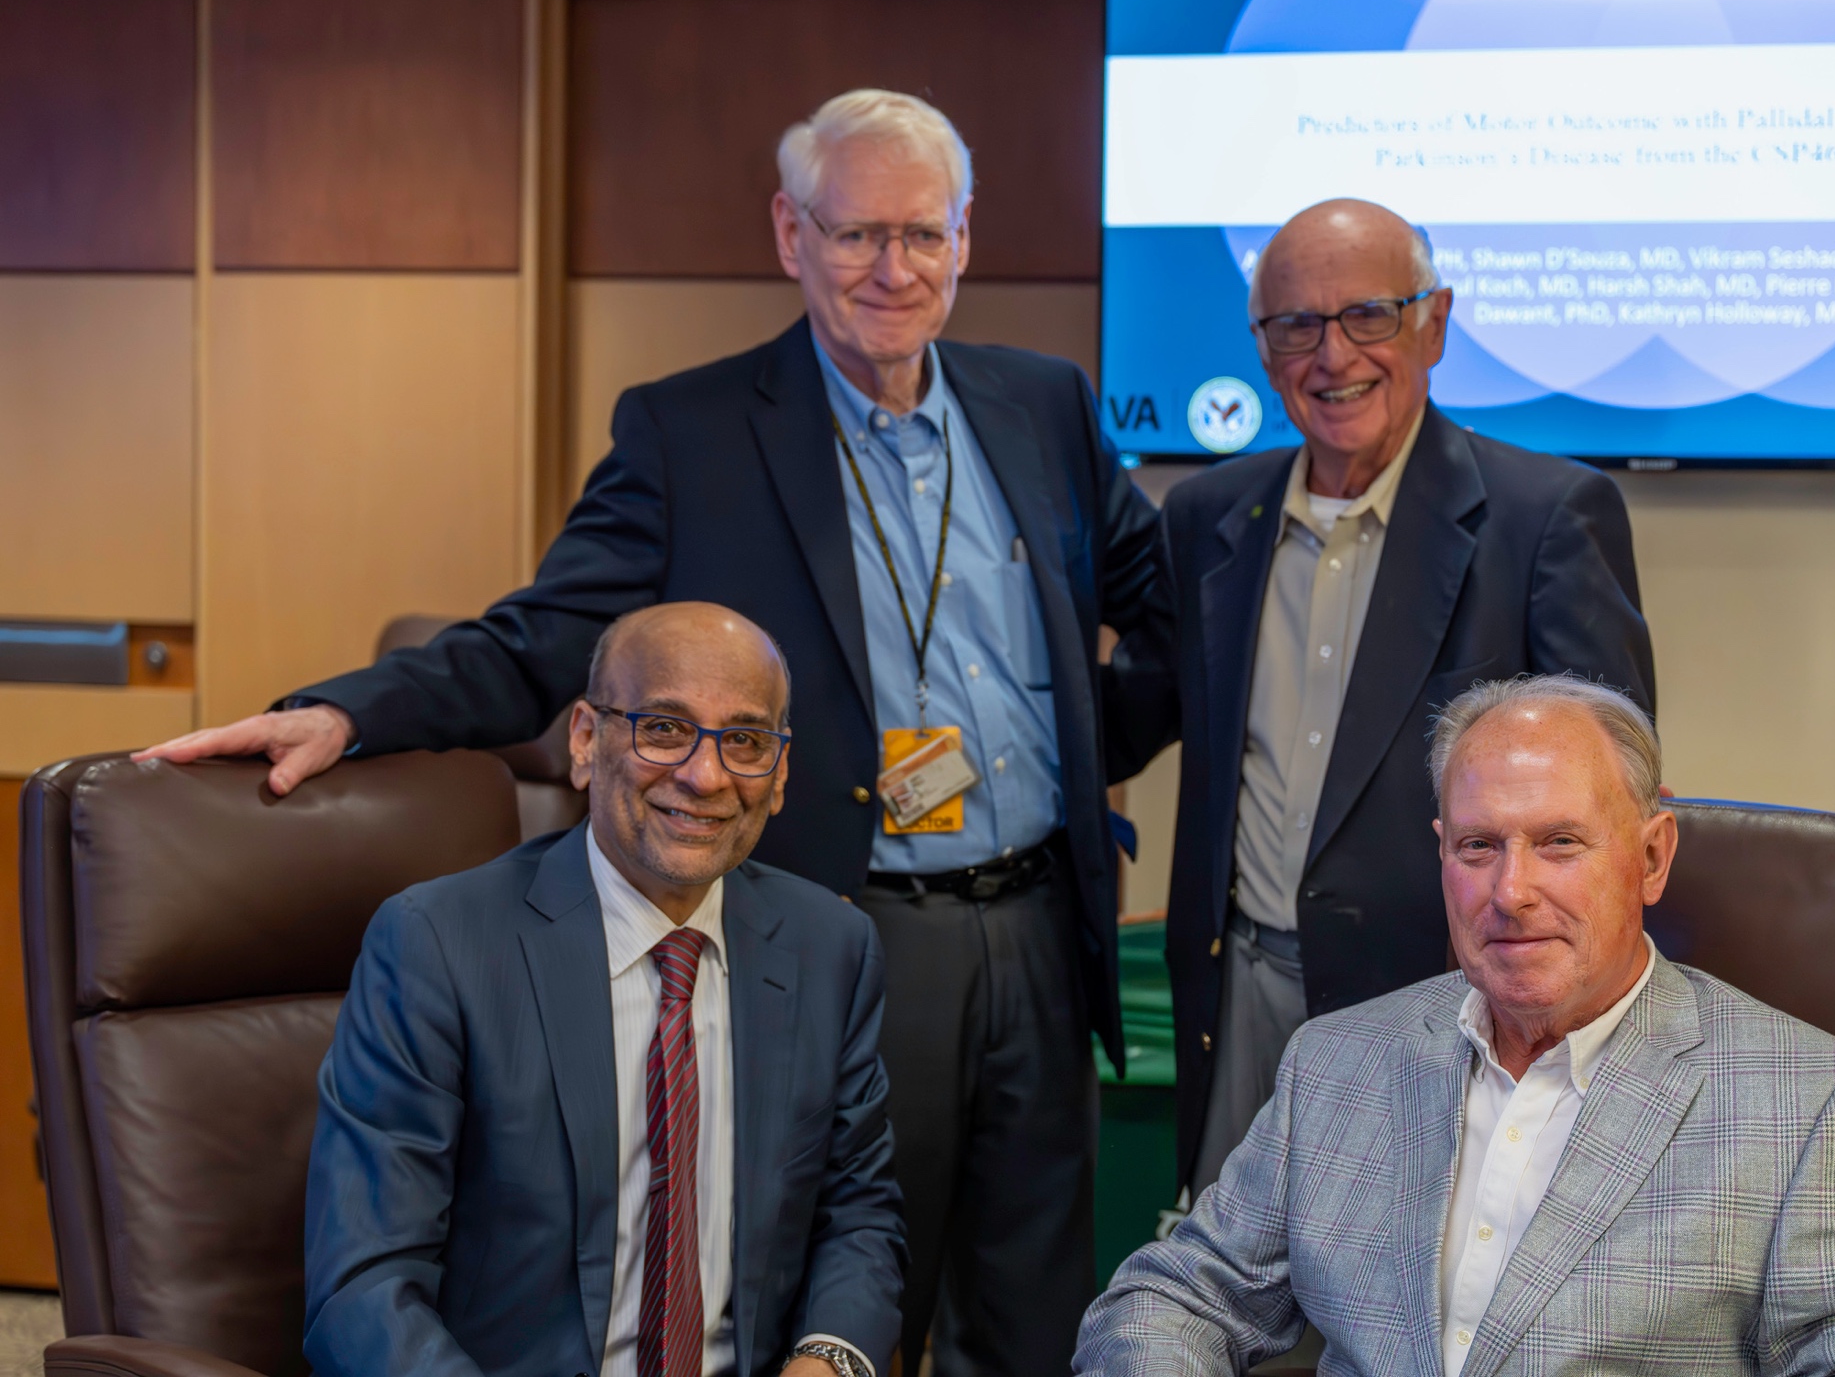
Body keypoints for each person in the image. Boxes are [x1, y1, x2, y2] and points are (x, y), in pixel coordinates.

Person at [147, 90, 1161, 1375]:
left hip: (1034, 930)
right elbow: (545, 637)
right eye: (855, 235)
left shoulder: (1046, 408)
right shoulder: (693, 433)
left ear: (967, 238)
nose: (891, 269)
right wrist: (349, 709)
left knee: (1032, 1307)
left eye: (922, 234)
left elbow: (1163, 616)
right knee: (846, 1281)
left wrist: (1080, 759)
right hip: (848, 929)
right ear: (791, 233)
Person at [1075, 673, 1835, 1377]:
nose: (1512, 891)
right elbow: (1175, 1299)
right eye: (1478, 846)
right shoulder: (1338, 1063)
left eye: (1561, 843)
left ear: (1652, 857)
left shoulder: (1809, 1100)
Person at [1114, 198, 1656, 1195]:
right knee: (1244, 1300)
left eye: (1367, 315)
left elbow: (1610, 791)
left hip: (1450, 1000)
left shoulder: (1543, 519)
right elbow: (1129, 712)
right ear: (1263, 349)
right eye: (1296, 326)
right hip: (1240, 999)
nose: (1333, 356)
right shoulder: (1204, 518)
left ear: (1433, 324)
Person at [305, 603, 904, 1377]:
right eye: (663, 728)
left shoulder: (831, 947)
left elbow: (859, 1217)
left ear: (781, 773)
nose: (705, 775)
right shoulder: (438, 944)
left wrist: (827, 1362)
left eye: (746, 742)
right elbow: (363, 1286)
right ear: (585, 739)